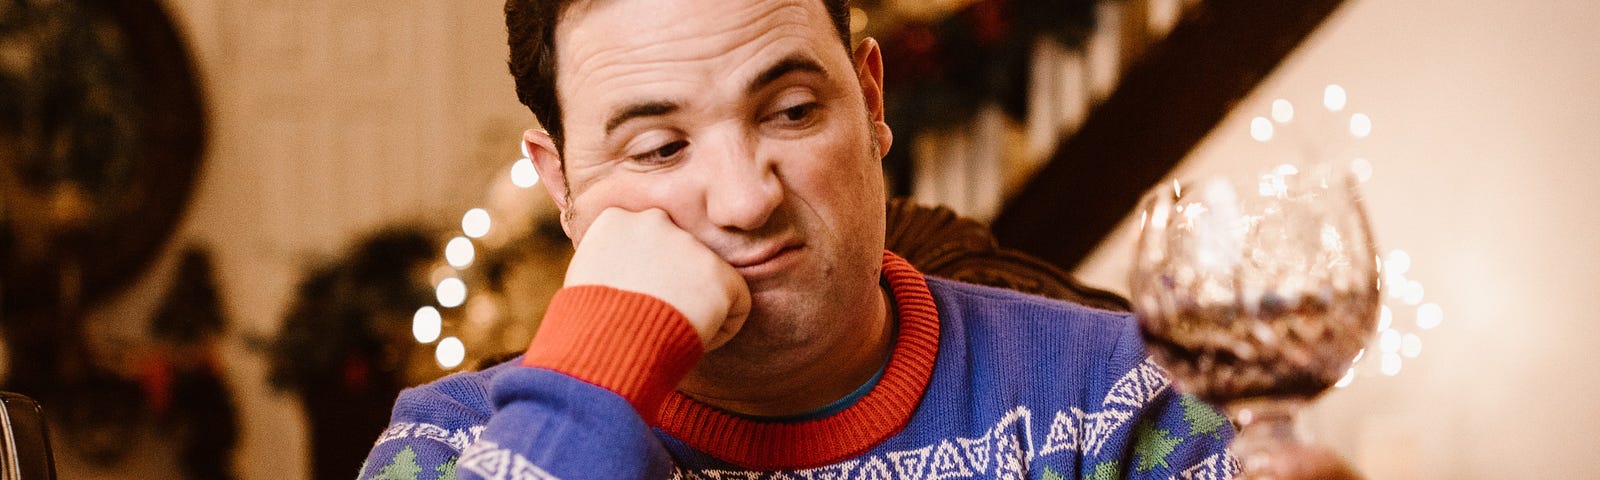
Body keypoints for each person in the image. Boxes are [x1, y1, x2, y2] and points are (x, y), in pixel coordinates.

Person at [357, 0, 1239, 478]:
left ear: (871, 102)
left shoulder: (1119, 395)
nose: (745, 200)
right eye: (661, 147)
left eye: (791, 112)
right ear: (561, 183)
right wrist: (591, 387)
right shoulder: (448, 447)